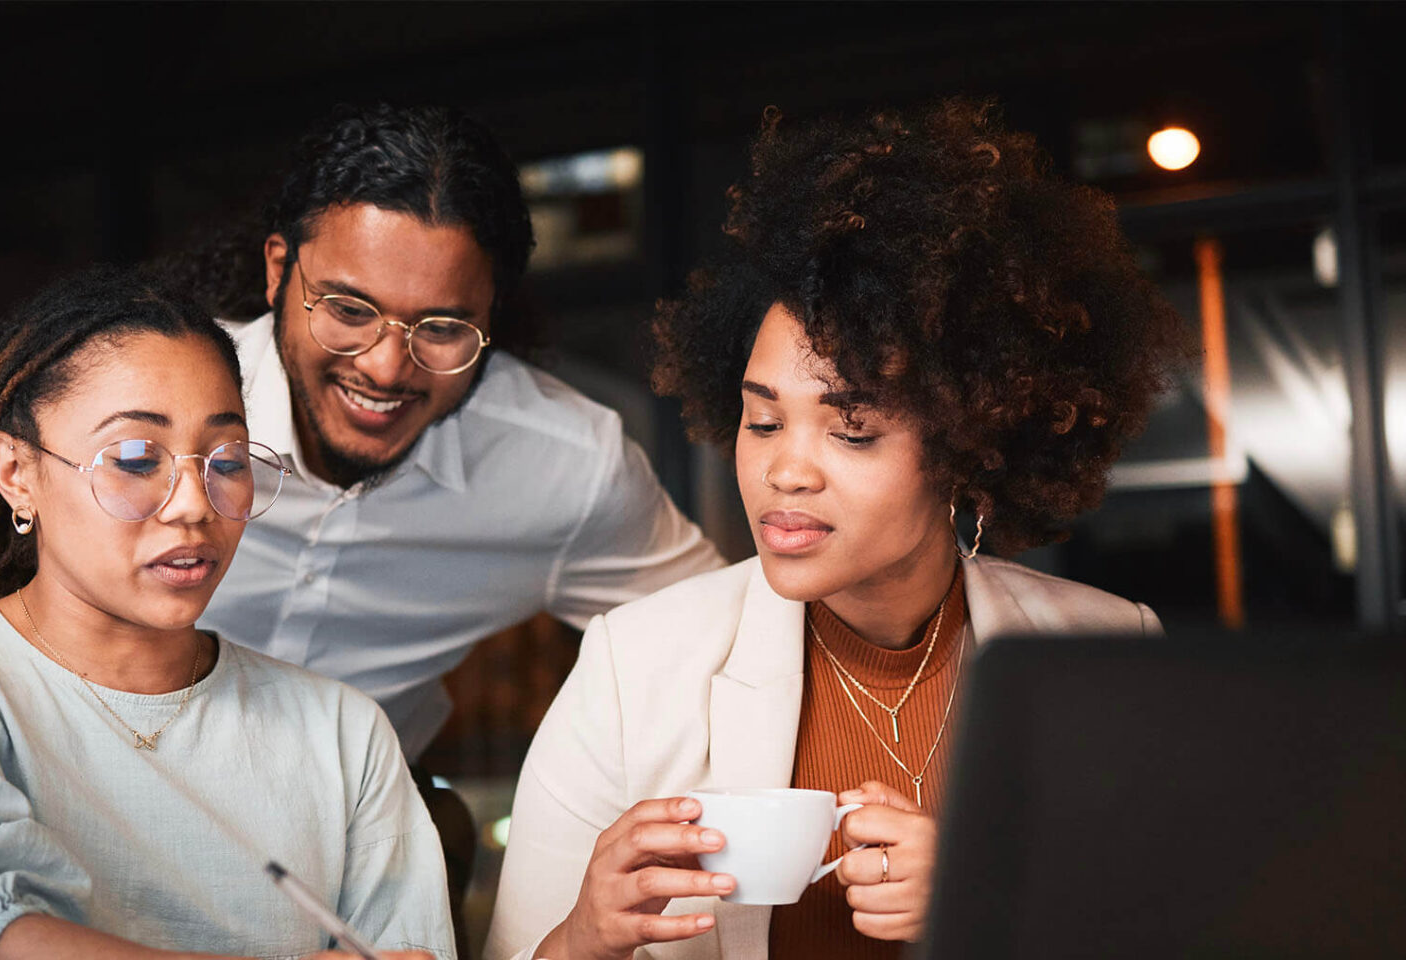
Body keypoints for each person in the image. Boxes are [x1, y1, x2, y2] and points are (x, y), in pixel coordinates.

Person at [0, 104, 723, 764]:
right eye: (349, 308)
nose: (388, 368)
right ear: (279, 270)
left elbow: (713, 634)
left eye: (441, 328)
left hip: (335, 854)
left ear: (493, 318)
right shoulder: (139, 385)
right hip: (75, 807)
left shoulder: (564, 468)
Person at [484, 100, 1189, 960]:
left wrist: (990, 905)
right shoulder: (636, 669)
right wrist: (583, 940)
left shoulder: (1108, 652)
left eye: (851, 429)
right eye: (763, 421)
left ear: (965, 445)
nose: (787, 471)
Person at [0, 266, 452, 959]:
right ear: (16, 474)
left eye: (227, 460)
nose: (193, 503)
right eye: (135, 456)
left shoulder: (342, 732)